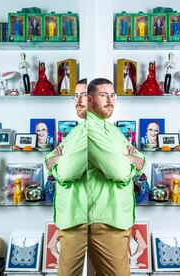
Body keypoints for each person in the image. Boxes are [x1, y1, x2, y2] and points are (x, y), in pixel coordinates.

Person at [87, 78, 145, 275]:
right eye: (103, 95)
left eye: (113, 96)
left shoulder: (112, 129)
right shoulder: (91, 131)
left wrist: (129, 159)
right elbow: (120, 172)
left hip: (120, 218)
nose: (110, 100)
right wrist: (132, 162)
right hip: (105, 223)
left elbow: (141, 160)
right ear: (89, 100)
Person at [45, 79, 88, 276]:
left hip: (78, 219)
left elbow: (64, 172)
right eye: (75, 96)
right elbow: (49, 159)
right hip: (70, 216)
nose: (78, 101)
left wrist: (57, 161)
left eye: (84, 95)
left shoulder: (90, 132)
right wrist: (56, 159)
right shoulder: (75, 132)